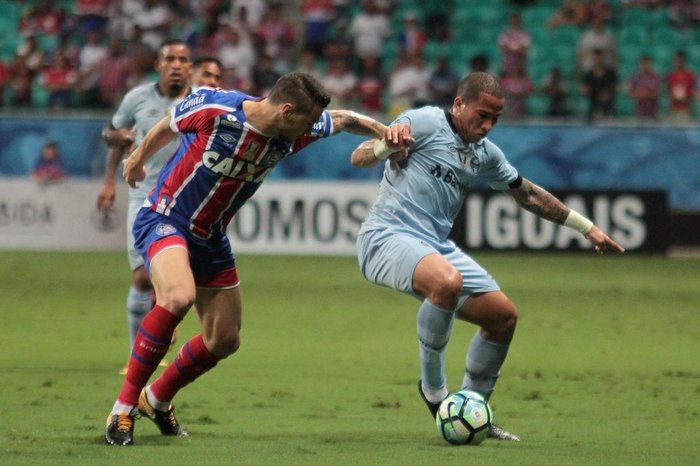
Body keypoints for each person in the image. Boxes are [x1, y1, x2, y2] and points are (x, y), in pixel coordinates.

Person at [104, 72, 394, 446]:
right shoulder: (217, 108)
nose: (309, 131)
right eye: (304, 123)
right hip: (165, 218)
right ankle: (122, 410)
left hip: (210, 238)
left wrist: (386, 131)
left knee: (224, 339)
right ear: (287, 111)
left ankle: (156, 399)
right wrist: (138, 158)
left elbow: (344, 119)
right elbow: (169, 123)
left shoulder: (296, 126)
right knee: (177, 296)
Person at [351, 71, 624, 442]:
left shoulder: (483, 154)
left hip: (434, 246)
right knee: (447, 282)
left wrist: (585, 226)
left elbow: (525, 193)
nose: (488, 125)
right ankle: (435, 393)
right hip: (385, 236)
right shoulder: (425, 122)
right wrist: (386, 144)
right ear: (459, 104)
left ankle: (472, 411)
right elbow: (359, 155)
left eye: (495, 118)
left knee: (503, 318)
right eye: (482, 115)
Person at [96, 39, 193, 376]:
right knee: (141, 278)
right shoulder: (136, 98)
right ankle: (138, 354)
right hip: (145, 196)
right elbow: (112, 133)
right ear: (158, 65)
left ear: (190, 67)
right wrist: (110, 178)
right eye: (170, 59)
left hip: (187, 199)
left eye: (183, 59)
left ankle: (164, 316)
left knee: (178, 282)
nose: (177, 64)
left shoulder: (199, 102)